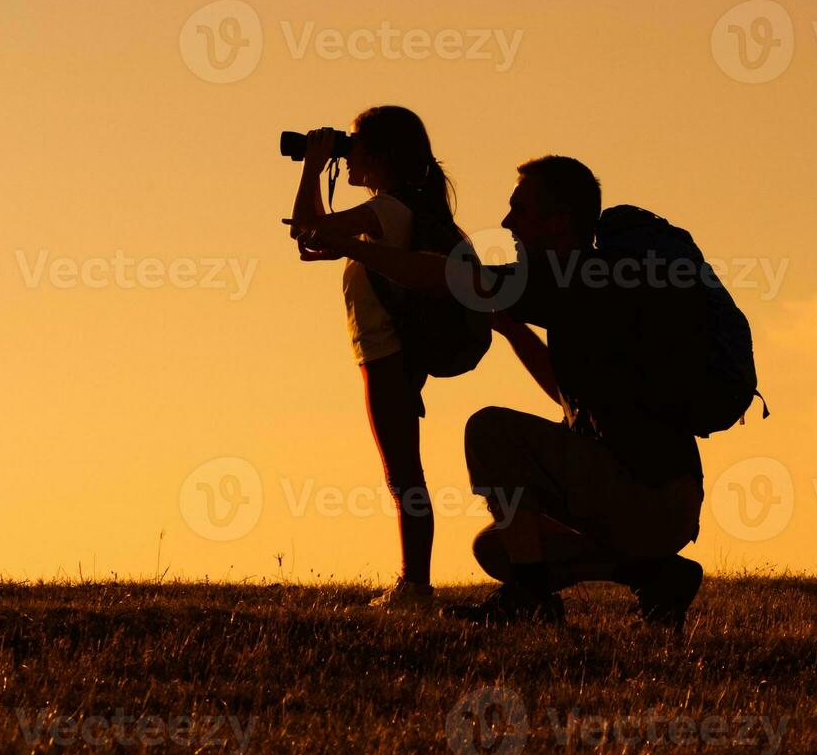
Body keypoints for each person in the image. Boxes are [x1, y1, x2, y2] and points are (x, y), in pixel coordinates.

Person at [297, 155, 707, 630]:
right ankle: (654, 573)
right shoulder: (591, 281)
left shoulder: (567, 276)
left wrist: (354, 248)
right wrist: (512, 331)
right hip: (659, 503)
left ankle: (533, 600)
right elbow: (565, 392)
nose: (507, 222)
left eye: (521, 210)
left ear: (559, 222)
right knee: (497, 547)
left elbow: (443, 275)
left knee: (490, 430)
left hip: (651, 499)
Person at [288, 107, 462, 610]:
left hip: (386, 351)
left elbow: (306, 228)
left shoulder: (388, 208)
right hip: (388, 350)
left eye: (354, 143)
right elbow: (318, 236)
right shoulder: (397, 208)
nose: (348, 151)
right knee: (403, 466)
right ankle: (415, 582)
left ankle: (415, 586)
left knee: (402, 470)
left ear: (382, 156)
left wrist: (311, 168)